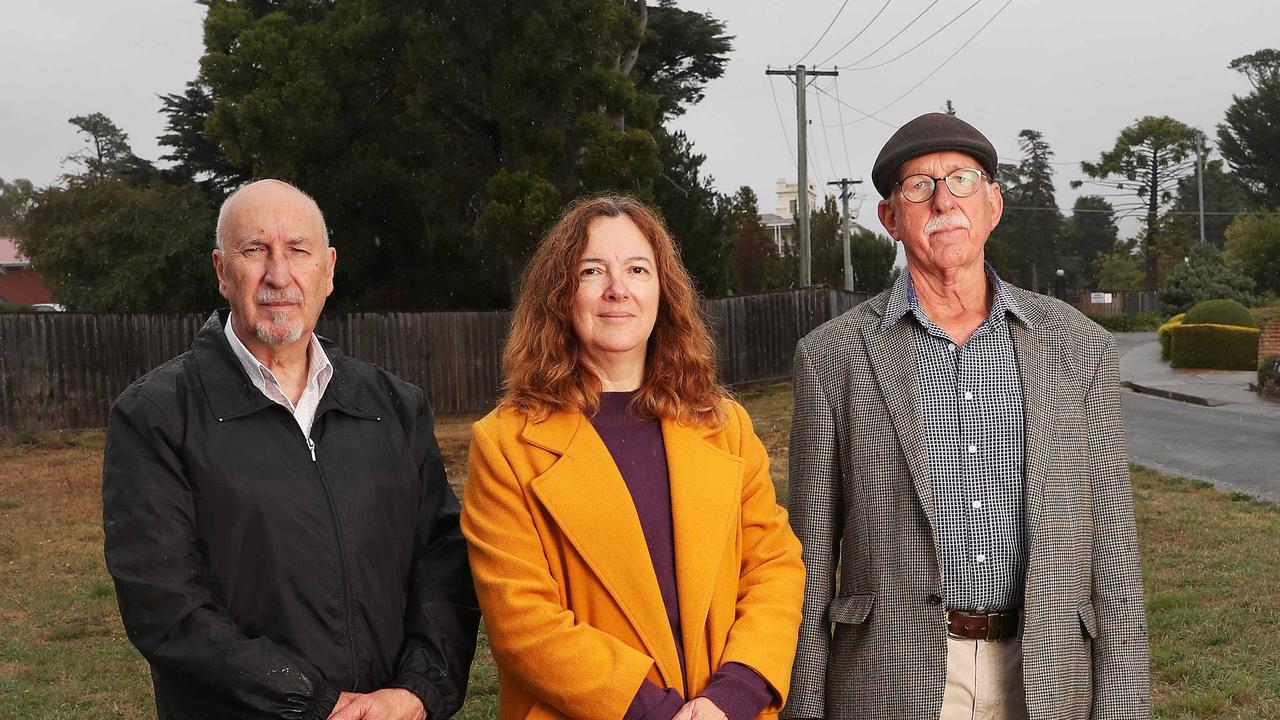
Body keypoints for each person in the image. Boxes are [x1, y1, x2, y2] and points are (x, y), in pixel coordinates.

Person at [782, 113, 1151, 720]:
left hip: (1048, 673)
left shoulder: (1079, 347)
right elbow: (809, 556)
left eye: (961, 181)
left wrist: (1122, 708)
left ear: (993, 204)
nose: (942, 202)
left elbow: (1112, 546)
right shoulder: (832, 355)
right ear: (890, 218)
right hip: (888, 678)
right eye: (918, 186)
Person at [102, 179, 479, 720]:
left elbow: (442, 564)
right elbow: (164, 604)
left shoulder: (395, 406)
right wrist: (315, 704)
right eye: (254, 250)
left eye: (297, 251)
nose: (278, 275)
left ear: (327, 270)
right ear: (221, 271)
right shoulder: (157, 415)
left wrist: (418, 692)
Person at [460, 195, 805, 720]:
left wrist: (733, 695)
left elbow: (773, 570)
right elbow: (523, 622)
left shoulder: (724, 426)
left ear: (663, 291)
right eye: (591, 270)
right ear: (560, 295)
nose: (617, 289)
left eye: (637, 269)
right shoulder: (506, 445)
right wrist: (658, 713)